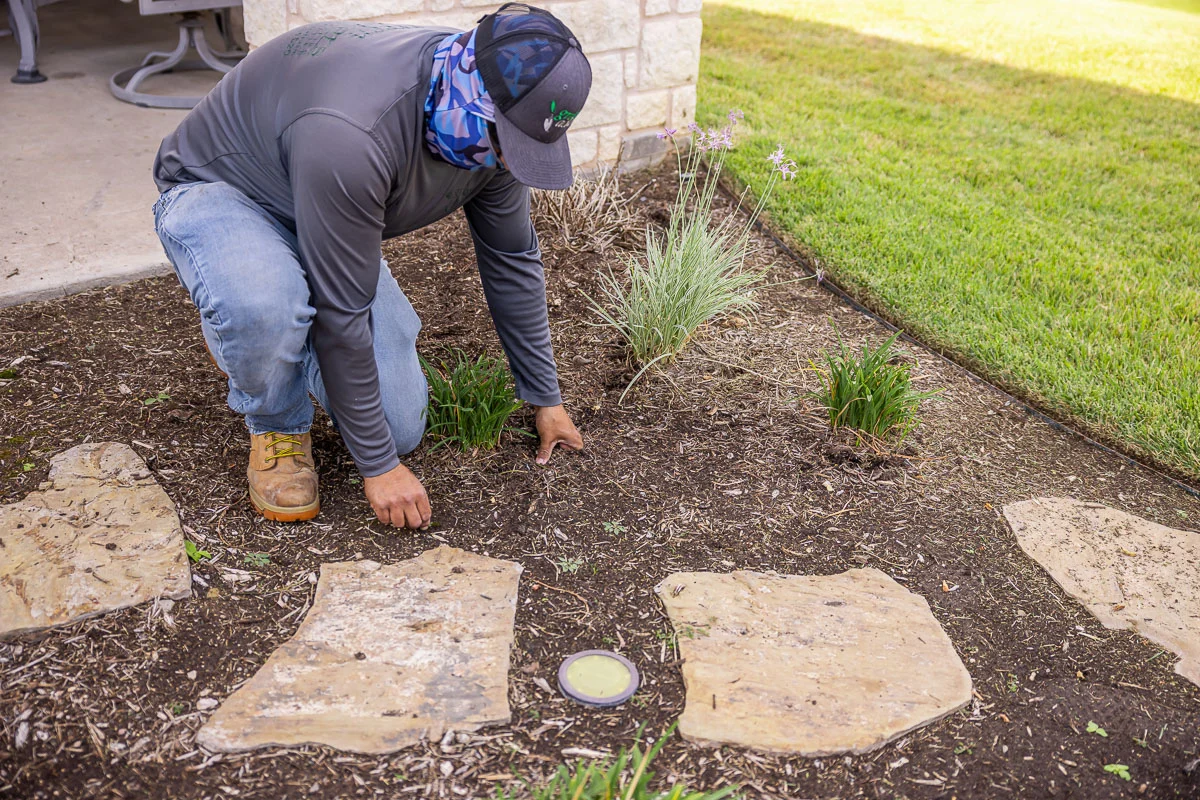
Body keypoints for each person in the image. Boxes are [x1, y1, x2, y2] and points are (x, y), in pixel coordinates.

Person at [151, 2, 588, 529]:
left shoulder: (494, 127)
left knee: (398, 426)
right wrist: (378, 469)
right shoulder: (354, 132)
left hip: (324, 208)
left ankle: (263, 336)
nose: (507, 158)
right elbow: (343, 309)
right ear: (472, 95)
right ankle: (271, 407)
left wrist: (544, 396)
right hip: (223, 192)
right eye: (503, 142)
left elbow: (511, 258)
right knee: (263, 306)